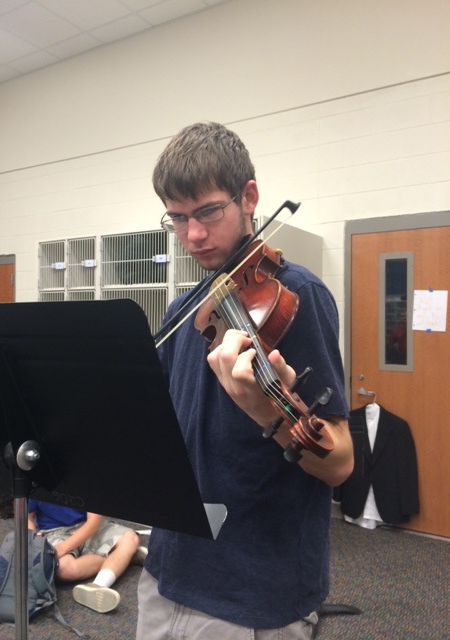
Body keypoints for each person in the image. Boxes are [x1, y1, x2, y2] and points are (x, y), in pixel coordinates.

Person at [136, 122, 354, 640]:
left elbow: (341, 462)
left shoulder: (297, 296)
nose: (193, 235)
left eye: (208, 211)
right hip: (170, 569)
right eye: (178, 218)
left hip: (253, 587)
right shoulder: (184, 308)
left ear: (249, 197)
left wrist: (268, 411)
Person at [27, 499, 147, 613]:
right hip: (54, 532)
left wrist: (62, 549)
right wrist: (34, 541)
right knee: (64, 569)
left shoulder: (90, 479)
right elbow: (28, 518)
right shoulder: (36, 481)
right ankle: (122, 556)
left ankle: (99, 584)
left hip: (88, 526)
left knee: (130, 538)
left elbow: (93, 522)